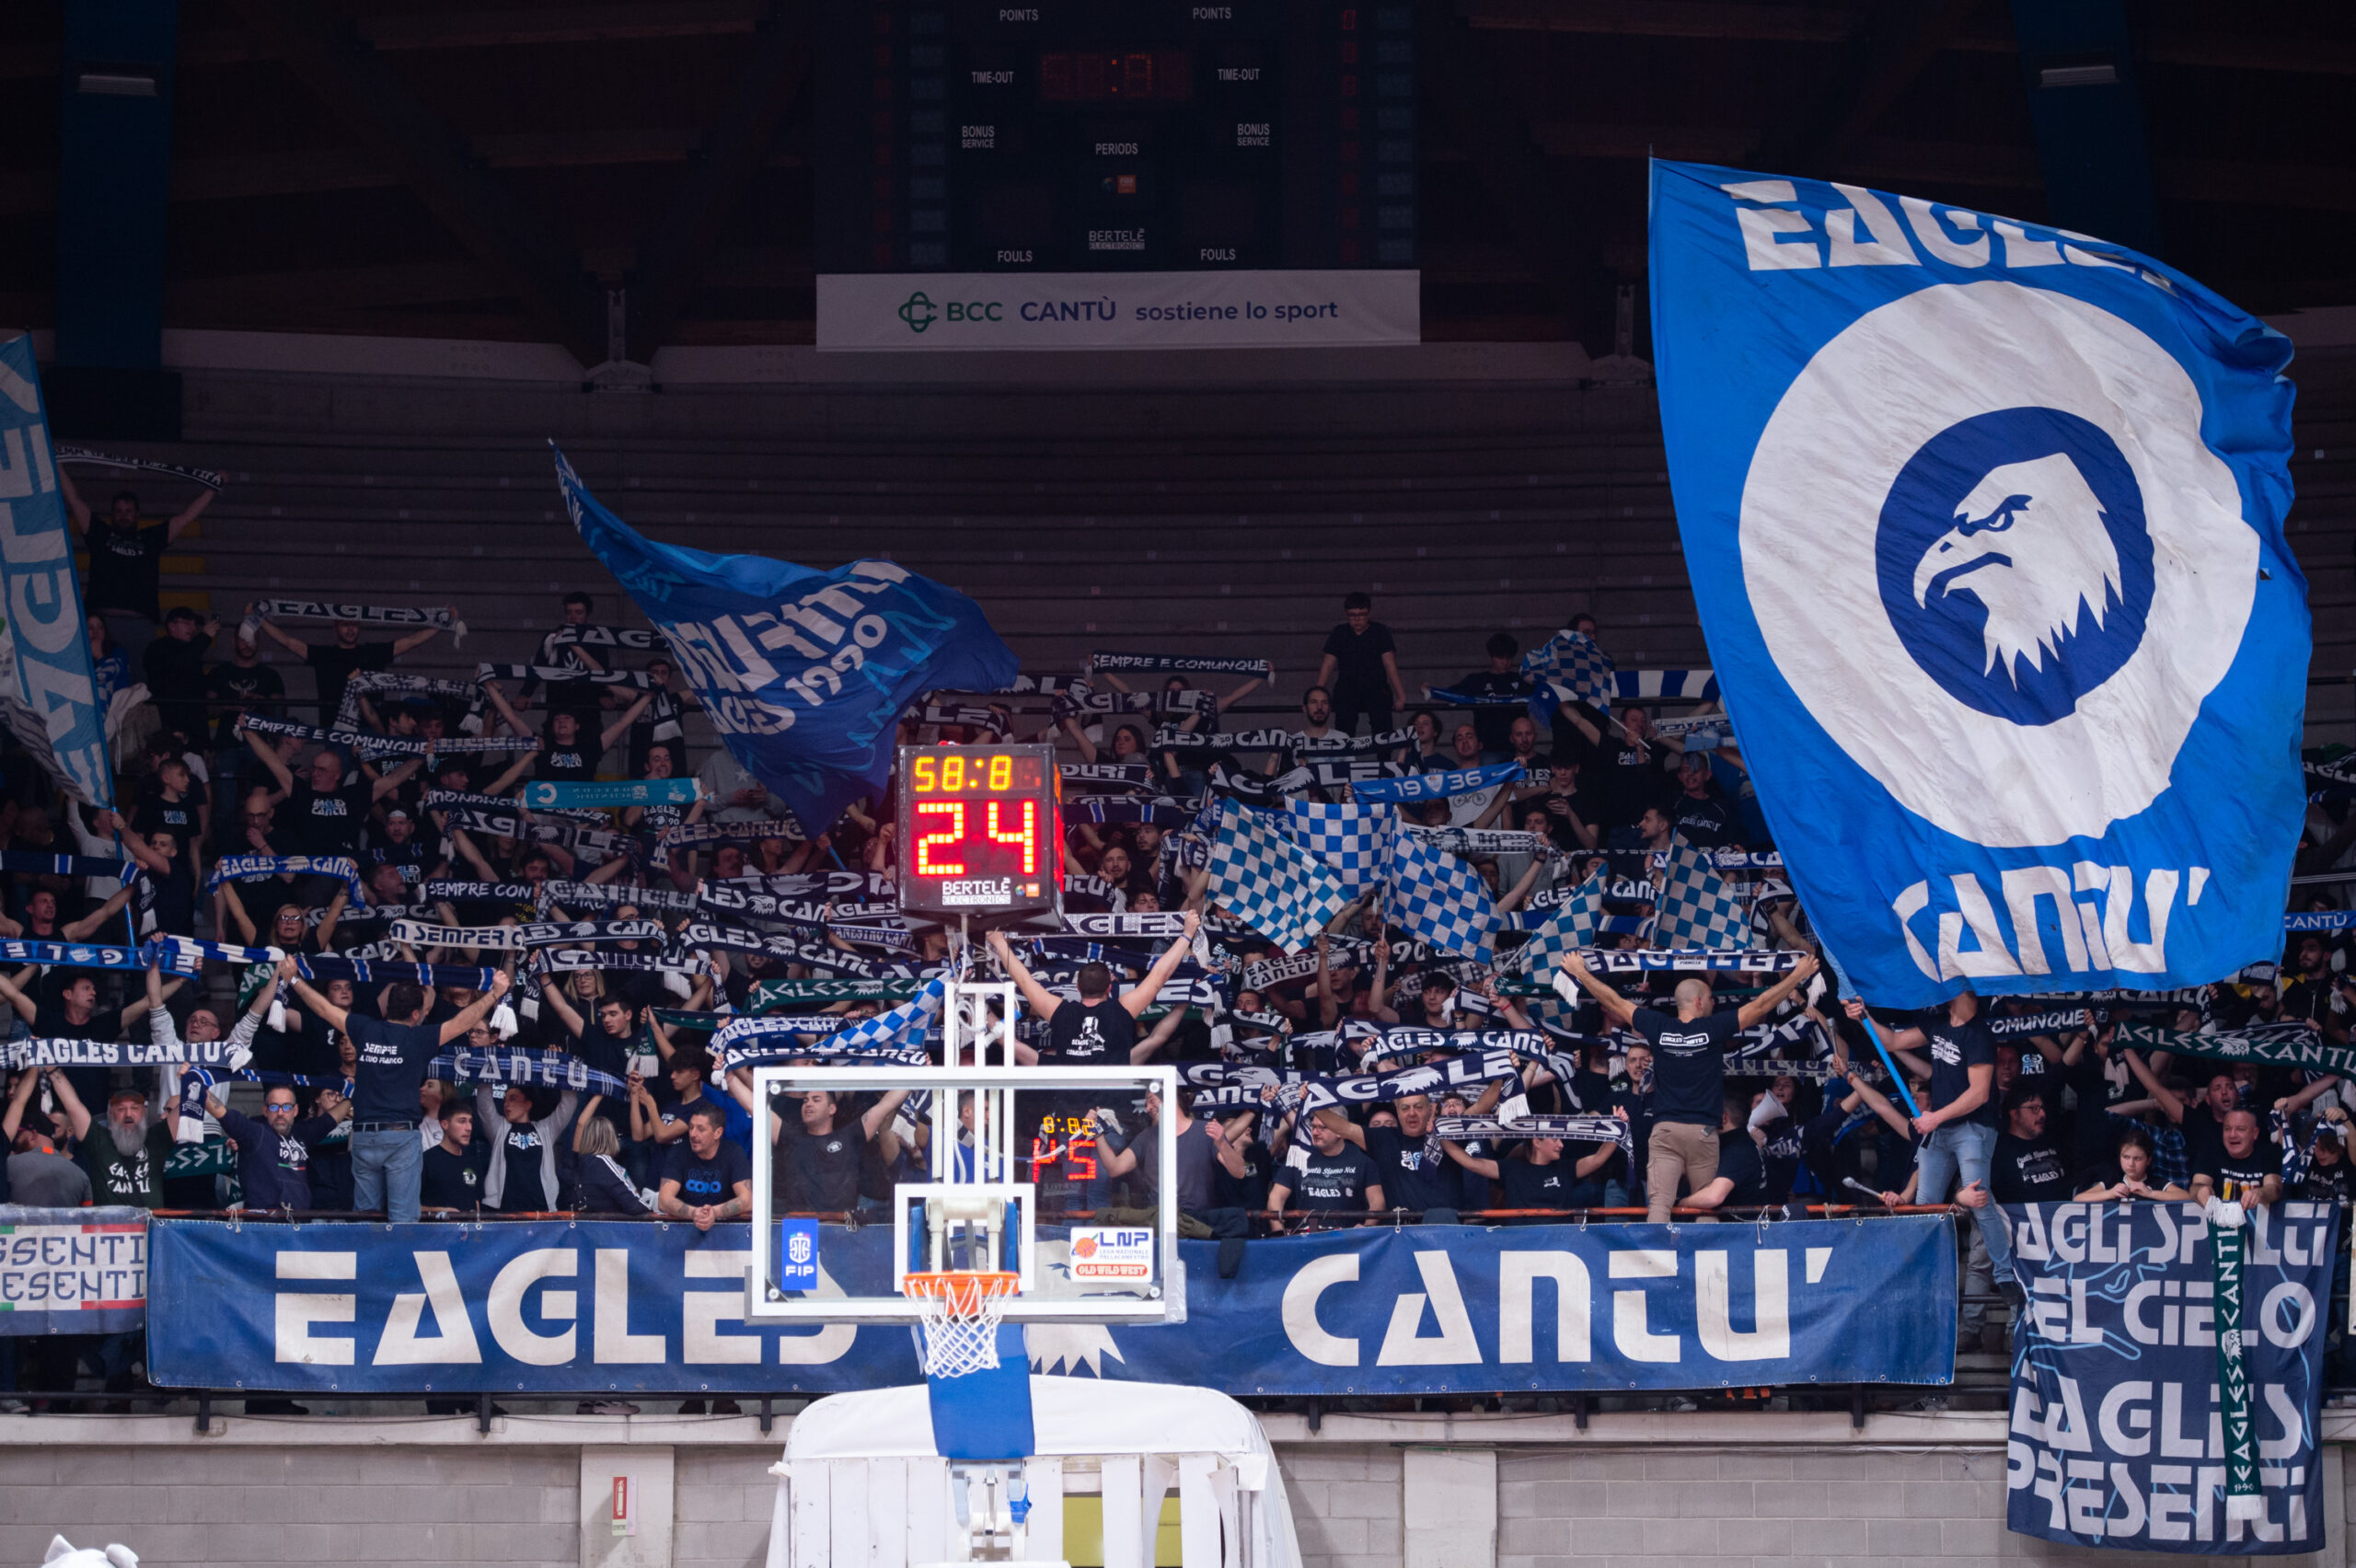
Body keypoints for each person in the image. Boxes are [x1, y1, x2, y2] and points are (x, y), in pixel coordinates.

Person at [1559, 951, 1819, 1221]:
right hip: (1703, 1133)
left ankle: (1656, 1262)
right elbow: (1761, 1006)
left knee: (1659, 1206)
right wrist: (1798, 975)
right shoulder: (1713, 1027)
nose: (1714, 1003)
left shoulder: (1657, 1025)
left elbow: (1614, 1001)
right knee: (1705, 1208)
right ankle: (1708, 1263)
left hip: (1666, 1130)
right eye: (1710, 999)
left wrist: (1580, 973)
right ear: (1698, 1001)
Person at [287, 959, 510, 1221]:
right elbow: (462, 1022)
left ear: (388, 1007)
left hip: (363, 1136)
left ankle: (372, 1262)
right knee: (403, 1220)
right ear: (415, 1014)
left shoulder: (364, 1028)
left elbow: (324, 1009)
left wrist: (293, 979)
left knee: (367, 1220)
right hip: (400, 1138)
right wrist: (494, 993)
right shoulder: (420, 1038)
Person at [1846, 988, 2026, 1314]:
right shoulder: (1938, 1022)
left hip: (1973, 1129)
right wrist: (1864, 1016)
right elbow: (1892, 1041)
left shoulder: (1979, 1033)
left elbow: (1980, 1094)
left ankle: (2005, 1276)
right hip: (1941, 1129)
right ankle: (1926, 1274)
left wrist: (1935, 1117)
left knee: (1979, 1198)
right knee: (1925, 1207)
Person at [60, 468, 217, 668]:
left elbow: (186, 517)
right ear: (112, 514)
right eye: (119, 512)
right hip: (103, 624)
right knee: (98, 680)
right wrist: (57, 465)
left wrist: (212, 489)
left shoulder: (151, 537)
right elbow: (74, 500)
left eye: (128, 511)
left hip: (140, 625)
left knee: (138, 685)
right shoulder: (100, 534)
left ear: (137, 514)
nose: (123, 516)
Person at [248, 605, 449, 723]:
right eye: (345, 624)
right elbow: (288, 642)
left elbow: (411, 642)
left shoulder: (372, 652)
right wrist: (259, 619)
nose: (350, 629)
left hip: (370, 728)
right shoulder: (324, 654)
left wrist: (442, 623)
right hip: (335, 728)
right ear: (336, 627)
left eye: (354, 624)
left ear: (360, 626)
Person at [476, 1080, 581, 1214]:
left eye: (512, 1099)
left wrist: (563, 1071)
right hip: (506, 1210)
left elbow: (568, 1103)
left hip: (540, 1209)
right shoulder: (499, 1129)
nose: (506, 1105)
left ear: (528, 1104)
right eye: (505, 1100)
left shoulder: (546, 1129)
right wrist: (491, 1068)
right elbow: (484, 1100)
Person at [1267, 1113, 1385, 1232]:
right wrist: (1278, 1231)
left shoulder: (1362, 1160)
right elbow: (1277, 1196)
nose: (1315, 1133)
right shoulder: (1300, 1156)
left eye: (1323, 1128)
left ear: (1340, 1130)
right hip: (1305, 1238)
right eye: (1314, 1127)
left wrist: (1366, 1229)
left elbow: (1377, 1202)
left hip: (1348, 1240)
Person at [1314, 592, 1407, 741]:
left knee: (1383, 732)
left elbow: (1390, 664)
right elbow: (1327, 666)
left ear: (1369, 613)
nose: (1357, 619)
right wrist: (1317, 695)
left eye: (1361, 614)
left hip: (1376, 688)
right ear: (1346, 614)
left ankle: (1384, 761)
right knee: (1344, 732)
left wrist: (1401, 695)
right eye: (1352, 615)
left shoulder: (1380, 631)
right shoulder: (1340, 632)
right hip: (1347, 689)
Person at [660, 1101, 753, 1230]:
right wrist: (694, 1213)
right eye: (691, 1127)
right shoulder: (679, 1151)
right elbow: (664, 1200)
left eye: (701, 1129)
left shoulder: (733, 1153)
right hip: (684, 1230)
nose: (693, 1134)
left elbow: (747, 1200)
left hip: (726, 1231)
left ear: (718, 1133)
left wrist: (714, 1213)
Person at [2191, 1107, 2281, 1209]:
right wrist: (2201, 1190)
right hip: (2219, 1221)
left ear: (2255, 1133)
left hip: (2257, 1222)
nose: (2232, 1135)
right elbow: (2196, 1186)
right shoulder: (2211, 1151)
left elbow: (2274, 1189)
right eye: (2227, 1129)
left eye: (2240, 1129)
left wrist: (2259, 1193)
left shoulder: (2268, 1152)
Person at [2075, 1125, 2192, 1202]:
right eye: (2126, 1157)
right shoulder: (2113, 1181)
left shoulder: (2157, 1182)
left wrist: (2151, 1193)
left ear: (2148, 1160)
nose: (2131, 1163)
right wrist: (2110, 1193)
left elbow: (2187, 1197)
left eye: (2137, 1159)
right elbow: (2079, 1199)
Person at [575, 1114, 658, 1215]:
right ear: (610, 1137)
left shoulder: (582, 1162)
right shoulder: (602, 1160)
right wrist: (651, 1210)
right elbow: (632, 1204)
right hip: (612, 1226)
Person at [419, 1102, 491, 1210]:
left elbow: (476, 1203)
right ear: (445, 1124)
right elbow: (410, 1207)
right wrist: (439, 1212)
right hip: (436, 1226)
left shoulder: (473, 1161)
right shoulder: (426, 1161)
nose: (469, 1128)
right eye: (462, 1121)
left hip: (470, 1226)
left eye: (470, 1122)